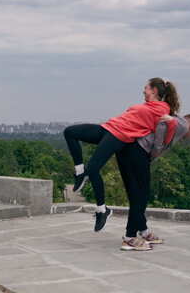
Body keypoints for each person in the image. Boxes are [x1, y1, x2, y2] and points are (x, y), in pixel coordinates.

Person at [63, 77, 179, 233]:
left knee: (93, 168)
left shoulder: (162, 108)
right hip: (108, 128)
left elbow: (166, 138)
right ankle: (79, 171)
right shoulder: (147, 105)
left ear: (154, 90)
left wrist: (172, 123)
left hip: (119, 135)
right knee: (70, 132)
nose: (143, 90)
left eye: (146, 87)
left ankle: (102, 210)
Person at [118, 113, 190, 251]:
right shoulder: (182, 125)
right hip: (137, 152)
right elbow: (162, 123)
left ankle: (143, 231)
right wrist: (156, 149)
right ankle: (129, 238)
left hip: (130, 150)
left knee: (137, 195)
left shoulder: (177, 125)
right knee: (140, 197)